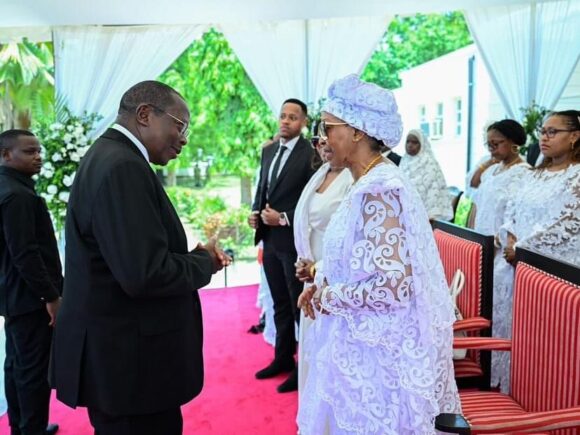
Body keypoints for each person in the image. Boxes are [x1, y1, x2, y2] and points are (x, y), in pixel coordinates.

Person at [51, 81, 230, 435]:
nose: (184, 138)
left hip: (120, 357)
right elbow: (145, 273)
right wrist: (205, 262)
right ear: (145, 115)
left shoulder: (111, 156)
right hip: (129, 364)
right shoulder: (122, 167)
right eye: (180, 126)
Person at [296, 75, 460, 434]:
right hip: (357, 340)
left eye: (328, 128)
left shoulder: (380, 190)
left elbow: (393, 285)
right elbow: (355, 260)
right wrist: (320, 280)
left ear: (357, 131)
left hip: (376, 356)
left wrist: (330, 295)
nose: (322, 138)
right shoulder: (365, 183)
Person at [492, 110, 580, 392]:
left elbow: (571, 221)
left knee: (546, 346)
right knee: (518, 336)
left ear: (575, 136)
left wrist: (524, 249)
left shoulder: (576, 175)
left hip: (553, 274)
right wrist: (511, 238)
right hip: (517, 267)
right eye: (543, 131)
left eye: (553, 132)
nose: (544, 137)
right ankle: (509, 391)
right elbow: (514, 208)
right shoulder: (537, 173)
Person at [249, 98, 316, 393]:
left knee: (297, 305)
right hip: (270, 239)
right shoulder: (269, 151)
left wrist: (284, 219)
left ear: (303, 122)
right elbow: (263, 187)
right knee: (278, 303)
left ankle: (304, 368)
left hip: (292, 242)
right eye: (283, 116)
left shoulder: (310, 155)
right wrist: (255, 214)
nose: (285, 121)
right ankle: (282, 358)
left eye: (292, 117)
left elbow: (312, 201)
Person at [0, 130, 61, 435]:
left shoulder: (9, 186)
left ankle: (20, 427)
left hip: (14, 292)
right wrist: (50, 296)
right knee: (32, 371)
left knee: (16, 364)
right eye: (28, 152)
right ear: (5, 155)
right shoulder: (17, 195)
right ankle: (31, 429)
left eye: (38, 151)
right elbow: (25, 253)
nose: (37, 157)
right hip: (28, 296)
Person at [293, 121, 353, 412]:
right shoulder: (320, 174)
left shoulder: (353, 179)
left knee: (333, 359)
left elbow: (351, 239)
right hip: (312, 274)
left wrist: (317, 267)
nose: (324, 144)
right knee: (313, 353)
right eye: (318, 140)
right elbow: (306, 225)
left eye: (328, 136)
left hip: (336, 278)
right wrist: (305, 262)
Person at [473, 119, 530, 236]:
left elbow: (518, 215)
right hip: (482, 237)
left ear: (514, 142)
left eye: (496, 144)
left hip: (501, 242)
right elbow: (478, 203)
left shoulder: (524, 173)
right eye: (489, 145)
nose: (491, 149)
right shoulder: (491, 170)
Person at [400, 129, 454, 221]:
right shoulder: (404, 161)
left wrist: (430, 216)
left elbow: (434, 192)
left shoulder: (429, 162)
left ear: (422, 144)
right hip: (405, 214)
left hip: (427, 216)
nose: (410, 145)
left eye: (414, 142)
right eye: (408, 141)